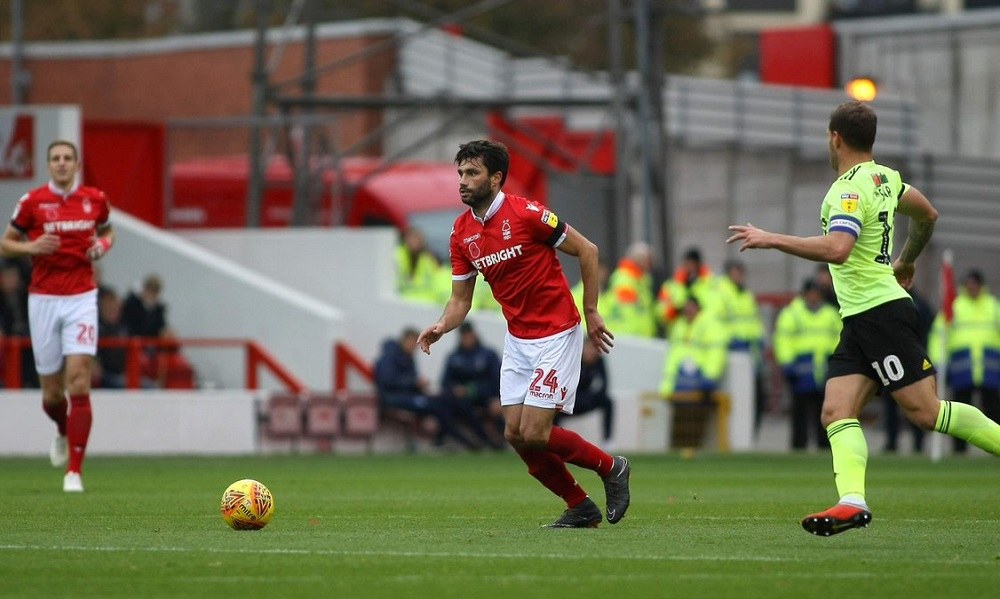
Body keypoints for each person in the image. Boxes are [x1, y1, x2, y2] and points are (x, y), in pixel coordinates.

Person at [727, 100, 1000, 536]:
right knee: (836, 410)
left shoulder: (846, 190)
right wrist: (907, 259)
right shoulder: (885, 178)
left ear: (835, 138)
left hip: (880, 313)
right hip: (861, 318)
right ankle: (852, 501)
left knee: (926, 412)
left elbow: (838, 248)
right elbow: (927, 214)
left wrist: (771, 238)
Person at [417, 139, 629, 528]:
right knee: (515, 434)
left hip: (557, 331)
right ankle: (580, 506)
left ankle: (611, 467)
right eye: (460, 173)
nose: (462, 180)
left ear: (496, 178)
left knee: (535, 431)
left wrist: (592, 312)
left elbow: (589, 250)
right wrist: (442, 325)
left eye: (472, 173)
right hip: (518, 339)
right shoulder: (461, 232)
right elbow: (460, 300)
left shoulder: (528, 214)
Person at [0, 139, 115, 493]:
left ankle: (74, 472)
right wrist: (31, 247)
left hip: (81, 297)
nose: (62, 163)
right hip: (44, 299)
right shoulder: (32, 202)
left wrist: (102, 246)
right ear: (49, 165)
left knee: (78, 381)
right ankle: (63, 430)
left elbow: (107, 231)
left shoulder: (95, 199)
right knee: (52, 395)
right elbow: (5, 243)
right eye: (56, 158)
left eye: (67, 158)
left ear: (77, 165)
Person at [374, 327, 482, 451]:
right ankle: (463, 442)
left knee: (445, 401)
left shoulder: (408, 358)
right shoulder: (388, 358)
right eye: (413, 342)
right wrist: (414, 383)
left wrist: (420, 387)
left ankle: (452, 440)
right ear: (405, 340)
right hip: (393, 399)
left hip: (409, 396)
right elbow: (388, 381)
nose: (415, 347)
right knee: (437, 406)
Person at [929, 269, 1000, 454]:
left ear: (981, 286)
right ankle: (959, 450)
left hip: (989, 369)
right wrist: (938, 361)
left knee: (993, 410)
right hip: (962, 368)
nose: (972, 288)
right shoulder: (954, 307)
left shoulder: (993, 307)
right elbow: (938, 335)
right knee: (960, 410)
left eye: (975, 284)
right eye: (969, 284)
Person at [773, 279, 842, 451]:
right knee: (800, 410)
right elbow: (783, 339)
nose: (813, 297)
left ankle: (824, 446)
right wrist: (787, 363)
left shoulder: (830, 314)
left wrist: (837, 361)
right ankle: (799, 446)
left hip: (824, 367)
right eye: (811, 293)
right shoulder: (792, 313)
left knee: (825, 410)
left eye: (816, 293)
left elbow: (840, 338)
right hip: (800, 368)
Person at [658, 296, 730, 450]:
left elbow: (715, 353)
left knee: (696, 420)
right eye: (686, 308)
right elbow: (673, 356)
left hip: (699, 381)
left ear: (698, 308)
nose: (688, 311)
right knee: (680, 420)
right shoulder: (679, 327)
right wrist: (668, 385)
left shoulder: (709, 325)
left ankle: (694, 449)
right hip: (681, 383)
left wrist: (709, 377)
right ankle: (678, 450)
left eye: (691, 307)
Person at [717, 259, 766, 430]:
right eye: (736, 273)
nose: (739, 277)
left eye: (741, 273)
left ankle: (751, 430)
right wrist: (730, 340)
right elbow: (718, 321)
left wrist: (759, 339)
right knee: (737, 393)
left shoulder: (746, 294)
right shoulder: (721, 293)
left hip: (750, 350)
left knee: (755, 394)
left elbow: (754, 321)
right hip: (733, 349)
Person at [440, 322, 506, 448]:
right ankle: (478, 442)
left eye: (469, 336)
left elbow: (498, 379)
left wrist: (498, 398)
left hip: (487, 397)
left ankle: (507, 440)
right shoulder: (454, 357)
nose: (467, 339)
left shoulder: (488, 354)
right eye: (464, 336)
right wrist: (455, 389)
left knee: (496, 409)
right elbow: (445, 382)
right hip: (463, 401)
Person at [555, 337, 615, 443]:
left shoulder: (599, 361)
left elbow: (604, 384)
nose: (592, 351)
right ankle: (553, 439)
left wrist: (591, 397)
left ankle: (607, 441)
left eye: (595, 348)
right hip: (568, 398)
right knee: (553, 407)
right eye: (590, 347)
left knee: (607, 402)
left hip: (585, 399)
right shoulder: (573, 359)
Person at [656, 246, 719, 334]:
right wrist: (675, 310)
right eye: (687, 264)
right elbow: (661, 311)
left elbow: (715, 308)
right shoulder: (672, 284)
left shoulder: (710, 282)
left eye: (692, 264)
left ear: (698, 264)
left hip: (703, 330)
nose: (689, 267)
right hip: (679, 330)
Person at [601, 242, 657, 338]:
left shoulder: (642, 280)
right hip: (629, 336)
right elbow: (628, 313)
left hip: (640, 337)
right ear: (640, 259)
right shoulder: (625, 278)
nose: (651, 264)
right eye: (648, 259)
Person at [0, 259, 38, 387]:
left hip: (28, 347)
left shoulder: (26, 297)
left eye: (13, 276)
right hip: (7, 348)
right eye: (7, 276)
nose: (11, 280)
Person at [93, 287, 130, 389]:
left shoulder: (123, 328)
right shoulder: (96, 329)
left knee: (149, 386)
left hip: (122, 374)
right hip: (105, 375)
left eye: (115, 308)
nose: (113, 311)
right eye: (109, 309)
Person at [395, 227, 442, 304]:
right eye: (412, 238)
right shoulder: (398, 256)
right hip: (402, 301)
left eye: (417, 239)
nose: (414, 242)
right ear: (406, 239)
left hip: (427, 303)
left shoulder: (428, 259)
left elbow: (437, 281)